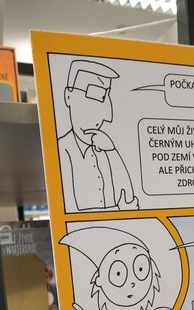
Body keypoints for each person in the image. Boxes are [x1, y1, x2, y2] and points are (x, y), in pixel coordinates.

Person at [58, 59, 139, 213]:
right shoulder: (62, 150)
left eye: (106, 96)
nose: (107, 115)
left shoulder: (103, 149)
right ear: (68, 96)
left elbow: (129, 201)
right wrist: (117, 210)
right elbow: (69, 214)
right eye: (95, 94)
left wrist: (112, 151)